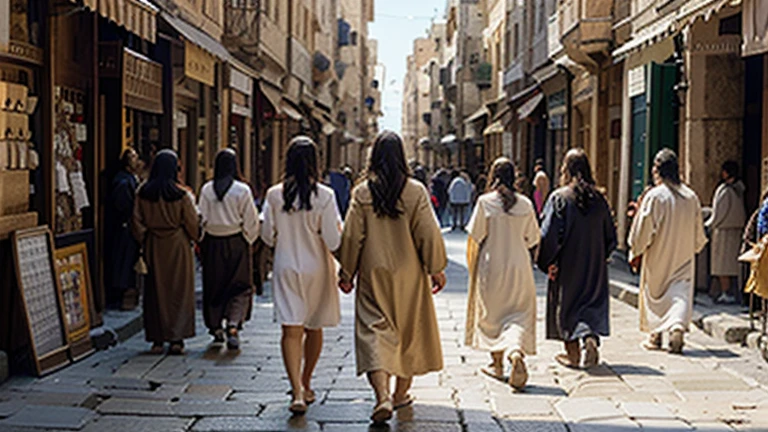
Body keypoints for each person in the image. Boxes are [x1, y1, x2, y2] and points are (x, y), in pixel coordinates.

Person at [338, 131, 447, 424]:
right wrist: (436, 267)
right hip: (409, 274)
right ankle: (399, 394)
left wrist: (346, 272)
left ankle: (381, 395)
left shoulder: (362, 193)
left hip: (374, 274)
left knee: (374, 332)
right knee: (407, 331)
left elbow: (351, 236)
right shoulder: (415, 191)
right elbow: (428, 232)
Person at [261, 137, 343, 415]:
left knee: (290, 329)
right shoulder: (325, 196)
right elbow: (333, 240)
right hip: (317, 268)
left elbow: (266, 236)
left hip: (286, 266)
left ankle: (295, 390)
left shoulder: (274, 195)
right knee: (314, 326)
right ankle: (307, 382)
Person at [537, 148, 617, 368]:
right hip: (594, 266)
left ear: (566, 169)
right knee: (590, 303)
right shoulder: (600, 199)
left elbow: (547, 235)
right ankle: (590, 337)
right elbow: (611, 236)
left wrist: (548, 262)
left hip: (567, 266)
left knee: (567, 307)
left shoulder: (559, 198)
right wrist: (603, 256)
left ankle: (573, 355)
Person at [465, 158, 540, 389]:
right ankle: (515, 352)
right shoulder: (526, 205)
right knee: (518, 315)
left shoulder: (485, 202)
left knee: (493, 316)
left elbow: (476, 236)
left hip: (492, 268)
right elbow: (533, 239)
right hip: (519, 267)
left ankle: (496, 364)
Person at [628, 149, 708, 354]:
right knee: (680, 294)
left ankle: (655, 335)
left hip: (659, 257)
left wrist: (636, 249)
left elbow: (643, 229)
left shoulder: (655, 196)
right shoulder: (691, 197)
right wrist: (694, 247)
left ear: (657, 170)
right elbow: (699, 233)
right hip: (683, 257)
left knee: (656, 295)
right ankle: (676, 327)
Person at [132, 149, 198, 355]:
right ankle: (177, 338)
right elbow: (193, 225)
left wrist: (146, 238)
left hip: (153, 245)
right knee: (179, 291)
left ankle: (157, 338)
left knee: (154, 292)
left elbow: (136, 223)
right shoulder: (181, 195)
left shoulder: (143, 193)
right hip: (178, 246)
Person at [198, 149, 260, 350]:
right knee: (240, 286)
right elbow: (251, 220)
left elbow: (201, 219)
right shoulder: (242, 190)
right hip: (236, 243)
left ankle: (215, 327)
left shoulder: (207, 189)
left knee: (214, 285)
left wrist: (202, 239)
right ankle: (233, 325)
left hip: (213, 243)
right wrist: (248, 240)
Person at [706, 161, 746, 304]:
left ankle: (725, 292)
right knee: (732, 265)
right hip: (736, 230)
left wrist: (709, 225)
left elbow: (719, 213)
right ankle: (732, 292)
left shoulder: (725, 190)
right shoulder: (739, 189)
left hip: (724, 231)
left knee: (722, 266)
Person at [106, 148, 141, 310]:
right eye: (132, 157)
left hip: (129, 225)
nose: (136, 160)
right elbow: (124, 205)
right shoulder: (122, 181)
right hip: (124, 226)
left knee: (127, 259)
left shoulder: (130, 178)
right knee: (123, 260)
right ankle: (119, 295)